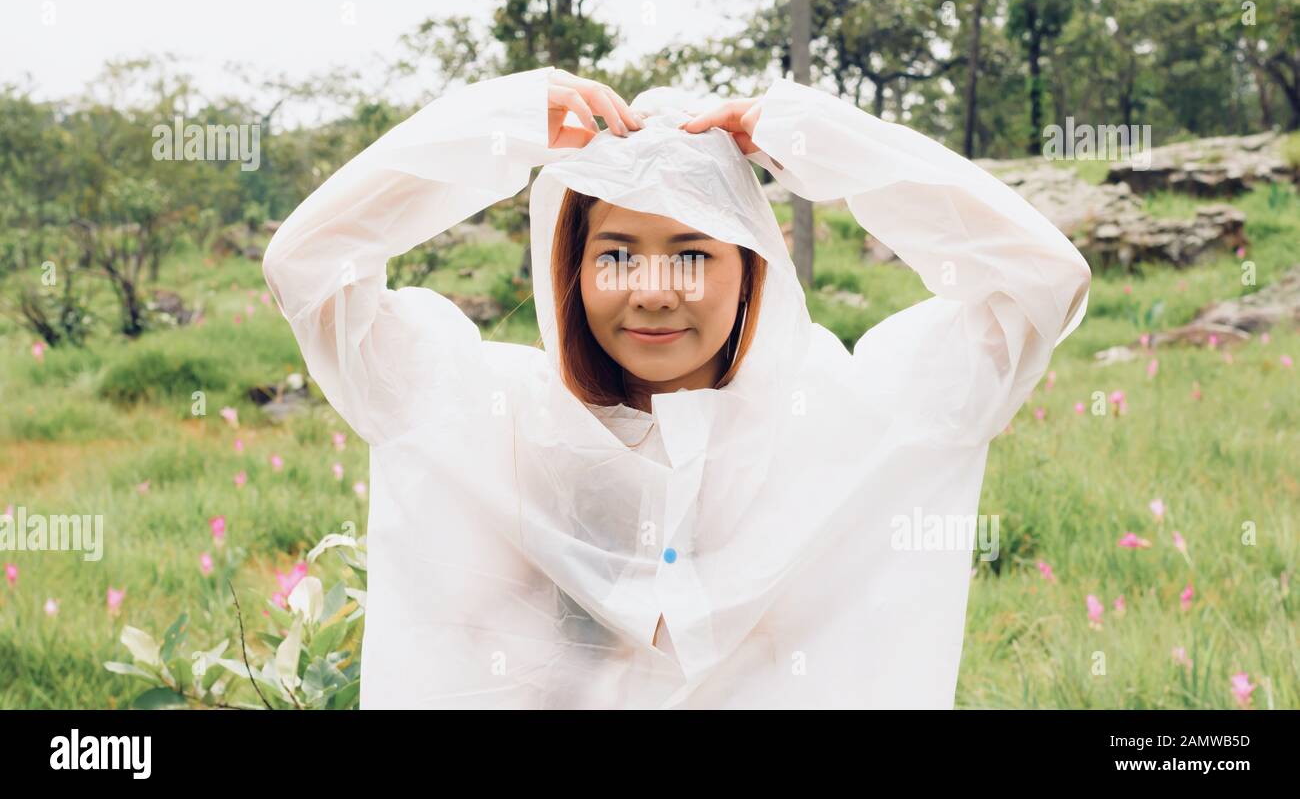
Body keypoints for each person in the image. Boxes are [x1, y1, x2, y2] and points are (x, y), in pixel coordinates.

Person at [261, 66, 1091, 708]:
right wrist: (499, 127)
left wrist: (813, 138)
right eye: (617, 251)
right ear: (572, 270)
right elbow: (307, 267)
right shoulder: (490, 417)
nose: (653, 288)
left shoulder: (847, 423)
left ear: (749, 271)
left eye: (693, 252)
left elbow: (1042, 282)